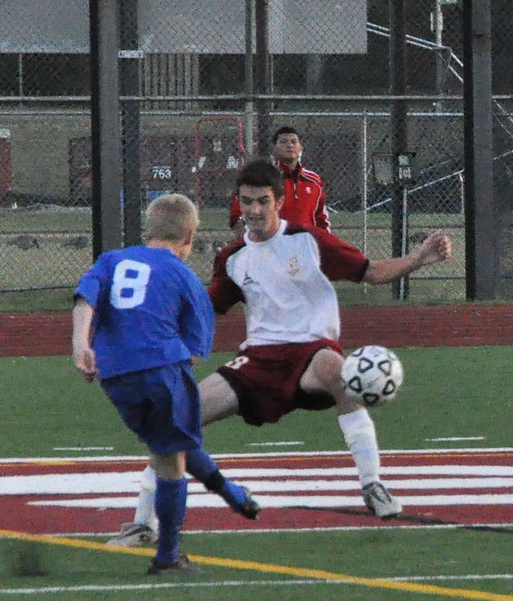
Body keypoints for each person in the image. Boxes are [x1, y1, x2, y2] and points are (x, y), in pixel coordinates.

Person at [113, 159, 453, 542]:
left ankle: (373, 484)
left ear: (278, 202)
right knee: (175, 419)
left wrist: (420, 259)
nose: (254, 211)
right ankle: (144, 523)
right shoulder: (233, 258)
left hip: (310, 353)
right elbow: (208, 312)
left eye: (262, 201)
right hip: (257, 362)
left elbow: (370, 272)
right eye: (246, 202)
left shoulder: (310, 241)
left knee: (336, 370)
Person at [72, 193, 259, 575]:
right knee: (171, 458)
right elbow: (194, 347)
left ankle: (232, 493)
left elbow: (85, 298)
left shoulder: (112, 260)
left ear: (148, 230)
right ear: (189, 237)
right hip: (161, 369)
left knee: (168, 443)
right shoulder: (184, 276)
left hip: (115, 376)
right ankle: (168, 555)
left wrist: (81, 344)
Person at [229, 126, 330, 237]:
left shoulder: (313, 180)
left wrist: (325, 245)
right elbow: (238, 213)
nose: (290, 145)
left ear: (300, 147)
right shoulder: (262, 176)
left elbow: (321, 218)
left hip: (304, 246)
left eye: (293, 142)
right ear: (274, 148)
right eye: (283, 142)